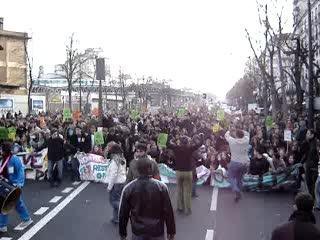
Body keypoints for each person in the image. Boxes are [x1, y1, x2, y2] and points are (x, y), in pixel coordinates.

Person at [119, 156, 175, 240]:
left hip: (138, 231)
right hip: (157, 231)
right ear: (151, 169)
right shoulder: (161, 187)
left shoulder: (128, 188)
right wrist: (171, 231)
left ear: (137, 170)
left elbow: (123, 213)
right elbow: (168, 211)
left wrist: (122, 233)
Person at [0, 142, 33, 233]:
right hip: (5, 185)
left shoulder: (14, 159)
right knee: (4, 204)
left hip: (13, 186)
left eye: (1, 149)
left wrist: (19, 184)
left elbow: (21, 171)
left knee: (15, 204)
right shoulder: (3, 159)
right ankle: (2, 225)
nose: (0, 151)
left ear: (5, 150)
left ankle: (26, 219)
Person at [168, 134, 203, 215]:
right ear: (187, 142)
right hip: (188, 172)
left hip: (179, 172)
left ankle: (180, 207)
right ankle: (188, 209)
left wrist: (170, 137)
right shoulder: (190, 149)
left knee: (179, 190)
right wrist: (201, 137)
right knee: (187, 191)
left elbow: (167, 144)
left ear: (180, 142)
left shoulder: (176, 148)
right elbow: (200, 144)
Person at [225, 123, 250, 202]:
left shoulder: (232, 141)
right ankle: (238, 193)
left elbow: (226, 135)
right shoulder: (246, 140)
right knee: (240, 178)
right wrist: (240, 129)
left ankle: (236, 189)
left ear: (236, 135)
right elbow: (247, 133)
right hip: (245, 163)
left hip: (235, 162)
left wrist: (230, 129)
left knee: (231, 176)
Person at [106, 143, 126, 224]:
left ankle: (124, 213)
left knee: (113, 201)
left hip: (116, 183)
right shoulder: (122, 159)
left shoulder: (115, 161)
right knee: (117, 200)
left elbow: (113, 175)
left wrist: (109, 187)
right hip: (121, 182)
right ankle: (115, 218)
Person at [302, 129, 319, 198]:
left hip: (314, 166)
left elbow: (314, 154)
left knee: (313, 183)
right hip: (308, 164)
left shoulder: (316, 143)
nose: (306, 135)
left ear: (312, 135)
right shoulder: (308, 142)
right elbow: (305, 153)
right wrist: (301, 162)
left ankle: (312, 199)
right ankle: (311, 198)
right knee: (308, 182)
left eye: (308, 133)